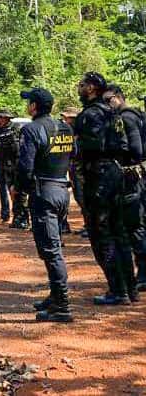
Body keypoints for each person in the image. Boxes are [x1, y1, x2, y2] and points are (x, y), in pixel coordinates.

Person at [14, 88, 74, 322]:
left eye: (29, 102)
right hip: (61, 190)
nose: (27, 106)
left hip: (44, 193)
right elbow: (73, 154)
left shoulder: (32, 129)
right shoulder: (65, 128)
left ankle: (63, 305)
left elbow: (25, 166)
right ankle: (54, 296)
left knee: (51, 251)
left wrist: (20, 187)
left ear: (34, 106)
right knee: (52, 246)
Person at [74, 72, 131, 305]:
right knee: (119, 232)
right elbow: (123, 145)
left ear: (94, 88)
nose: (80, 88)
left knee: (101, 235)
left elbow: (93, 145)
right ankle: (128, 289)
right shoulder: (112, 113)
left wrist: (78, 151)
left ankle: (118, 290)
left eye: (84, 84)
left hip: (99, 176)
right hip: (114, 173)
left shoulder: (91, 115)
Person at [103, 84, 146, 297]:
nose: (107, 103)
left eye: (109, 99)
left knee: (134, 226)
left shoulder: (126, 118)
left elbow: (137, 150)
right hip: (135, 177)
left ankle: (143, 273)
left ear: (119, 97)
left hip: (132, 179)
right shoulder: (134, 115)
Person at [0, 109, 20, 224]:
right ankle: (5, 214)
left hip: (11, 163)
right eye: (0, 117)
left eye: (3, 117)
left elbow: (16, 148)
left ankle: (17, 213)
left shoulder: (14, 129)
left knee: (12, 189)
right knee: (1, 189)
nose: (1, 120)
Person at [60, 107, 83, 236]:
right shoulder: (69, 131)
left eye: (67, 117)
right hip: (72, 167)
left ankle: (89, 224)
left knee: (81, 196)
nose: (65, 120)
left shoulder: (82, 132)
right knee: (77, 194)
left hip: (81, 168)